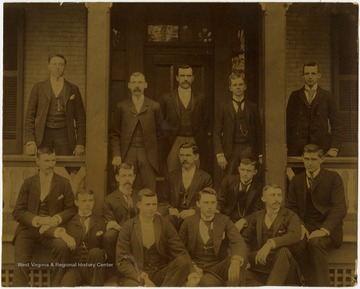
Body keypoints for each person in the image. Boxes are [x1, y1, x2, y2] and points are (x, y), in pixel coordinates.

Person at [12, 146, 76, 286]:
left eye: (53, 160)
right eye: (46, 161)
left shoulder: (63, 183)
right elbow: (18, 212)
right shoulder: (28, 183)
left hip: (53, 230)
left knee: (63, 247)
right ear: (37, 161)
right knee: (21, 263)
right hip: (28, 229)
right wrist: (38, 220)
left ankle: (55, 285)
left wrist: (57, 218)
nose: (50, 164)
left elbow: (71, 209)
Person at [286, 144, 347, 286]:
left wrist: (323, 230)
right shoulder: (297, 180)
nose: (309, 163)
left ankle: (322, 286)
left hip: (328, 230)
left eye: (313, 159)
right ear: (302, 158)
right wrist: (300, 226)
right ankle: (314, 284)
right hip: (305, 228)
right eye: (306, 159)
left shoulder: (333, 178)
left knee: (315, 243)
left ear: (321, 160)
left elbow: (340, 208)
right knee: (295, 245)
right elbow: (291, 208)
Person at [116, 188, 200, 287]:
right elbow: (122, 260)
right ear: (139, 205)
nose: (152, 208)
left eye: (154, 204)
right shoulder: (128, 226)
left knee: (182, 261)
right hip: (138, 274)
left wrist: (192, 272)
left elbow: (180, 251)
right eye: (148, 204)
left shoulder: (164, 223)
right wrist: (143, 277)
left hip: (160, 272)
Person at [179, 188, 247, 286]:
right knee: (207, 283)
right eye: (206, 203)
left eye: (213, 203)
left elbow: (238, 241)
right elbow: (180, 249)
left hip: (217, 266)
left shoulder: (224, 220)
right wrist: (192, 267)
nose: (210, 207)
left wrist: (236, 261)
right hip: (196, 267)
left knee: (239, 263)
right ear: (198, 204)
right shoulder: (188, 222)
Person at [109, 72, 164, 192]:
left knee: (149, 188)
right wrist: (117, 155)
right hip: (128, 152)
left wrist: (156, 154)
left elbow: (161, 133)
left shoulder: (154, 106)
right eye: (134, 82)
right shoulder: (121, 106)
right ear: (129, 85)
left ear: (145, 85)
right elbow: (114, 133)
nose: (137, 86)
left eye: (140, 82)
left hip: (148, 153)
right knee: (126, 185)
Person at [24, 53, 86, 156]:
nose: (57, 67)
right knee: (44, 165)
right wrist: (30, 141)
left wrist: (80, 144)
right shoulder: (38, 88)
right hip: (43, 134)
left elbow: (81, 119)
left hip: (65, 135)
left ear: (65, 67)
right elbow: (29, 117)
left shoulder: (73, 89)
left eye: (61, 64)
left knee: (67, 169)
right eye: (54, 64)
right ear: (49, 66)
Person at [243, 184, 301, 286]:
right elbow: (245, 239)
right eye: (272, 195)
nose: (276, 199)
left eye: (279, 195)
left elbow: (295, 235)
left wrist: (270, 244)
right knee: (239, 273)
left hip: (283, 265)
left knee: (284, 251)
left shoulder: (290, 215)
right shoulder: (257, 216)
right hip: (261, 263)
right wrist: (246, 259)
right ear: (264, 198)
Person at [160, 65, 211, 173]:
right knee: (173, 171)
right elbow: (161, 122)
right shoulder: (166, 98)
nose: (185, 79)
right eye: (182, 75)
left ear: (193, 78)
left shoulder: (201, 98)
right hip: (174, 141)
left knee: (194, 171)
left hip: (194, 139)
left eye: (188, 75)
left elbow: (206, 121)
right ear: (177, 78)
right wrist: (168, 137)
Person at [286, 61, 342, 157]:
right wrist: (287, 146)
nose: (310, 77)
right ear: (303, 76)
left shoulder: (327, 96)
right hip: (298, 150)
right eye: (307, 74)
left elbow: (336, 124)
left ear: (319, 75)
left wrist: (334, 148)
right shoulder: (295, 96)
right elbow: (287, 123)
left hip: (321, 149)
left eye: (313, 73)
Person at [213, 73, 263, 179]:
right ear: (230, 88)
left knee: (249, 177)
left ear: (245, 86)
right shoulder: (223, 107)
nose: (238, 87)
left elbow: (259, 132)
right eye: (235, 85)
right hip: (230, 150)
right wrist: (220, 154)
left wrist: (260, 154)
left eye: (240, 84)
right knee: (228, 179)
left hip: (249, 148)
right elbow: (216, 132)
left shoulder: (252, 107)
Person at [60, 189, 106, 286]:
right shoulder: (69, 223)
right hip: (75, 267)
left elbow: (105, 247)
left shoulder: (101, 222)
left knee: (96, 252)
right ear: (76, 202)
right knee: (65, 284)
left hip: (94, 269)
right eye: (84, 201)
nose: (88, 204)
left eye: (90, 200)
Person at [163, 143, 212, 230]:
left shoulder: (205, 178)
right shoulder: (171, 176)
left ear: (196, 157)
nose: (184, 158)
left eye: (188, 155)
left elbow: (208, 201)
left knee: (191, 224)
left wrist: (194, 211)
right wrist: (170, 209)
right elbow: (164, 199)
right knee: (165, 222)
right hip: (175, 215)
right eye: (182, 155)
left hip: (193, 216)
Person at [102, 163, 137, 265]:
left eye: (130, 175)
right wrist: (113, 224)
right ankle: (116, 267)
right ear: (117, 178)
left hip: (139, 230)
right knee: (110, 235)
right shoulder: (110, 199)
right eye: (124, 176)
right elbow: (109, 219)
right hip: (120, 231)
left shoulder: (140, 195)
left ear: (134, 177)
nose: (127, 179)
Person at [217, 158, 263, 233]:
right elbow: (220, 201)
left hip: (246, 223)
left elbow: (257, 210)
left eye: (248, 171)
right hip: (227, 218)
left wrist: (244, 220)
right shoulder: (228, 181)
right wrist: (216, 212)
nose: (245, 173)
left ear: (255, 172)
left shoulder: (258, 187)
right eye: (242, 169)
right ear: (238, 169)